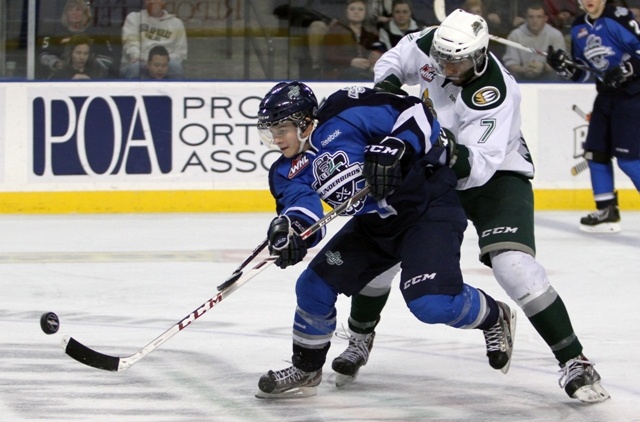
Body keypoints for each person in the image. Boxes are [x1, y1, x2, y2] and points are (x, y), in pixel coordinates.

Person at [332, 9, 610, 403]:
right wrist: (391, 100)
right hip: (433, 166)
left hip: (493, 178)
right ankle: (360, 337)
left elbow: (477, 167)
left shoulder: (495, 92)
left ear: (479, 55)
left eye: (457, 61)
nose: (446, 66)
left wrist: (424, 148)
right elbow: (393, 62)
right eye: (442, 58)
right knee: (383, 252)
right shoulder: (439, 42)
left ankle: (573, 360)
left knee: (513, 267)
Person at [254, 81, 516, 398]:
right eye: (271, 131)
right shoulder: (285, 171)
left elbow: (418, 113)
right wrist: (291, 233)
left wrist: (396, 146)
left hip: (427, 208)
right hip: (374, 226)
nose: (276, 139)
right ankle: (307, 368)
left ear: (305, 121)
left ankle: (494, 314)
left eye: (282, 128)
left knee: (430, 304)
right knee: (313, 285)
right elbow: (304, 212)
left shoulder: (345, 110)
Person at [547, 0, 640, 233]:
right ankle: (606, 211)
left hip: (633, 95)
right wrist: (563, 66)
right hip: (606, 98)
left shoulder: (618, 18)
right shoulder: (579, 26)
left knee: (629, 160)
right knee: (595, 153)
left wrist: (627, 71)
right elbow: (580, 74)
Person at [37, 0, 116, 79]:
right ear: (66, 12)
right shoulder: (56, 31)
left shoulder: (96, 32)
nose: (74, 12)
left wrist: (91, 69)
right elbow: (43, 54)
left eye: (78, 9)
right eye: (70, 9)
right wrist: (56, 63)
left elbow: (108, 58)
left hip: (92, 76)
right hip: (61, 76)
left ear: (85, 13)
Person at [120, 0, 188, 79]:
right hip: (140, 62)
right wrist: (139, 57)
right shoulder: (134, 18)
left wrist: (161, 63)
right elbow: (130, 41)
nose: (151, 1)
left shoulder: (176, 23)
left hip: (166, 64)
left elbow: (180, 52)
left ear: (164, 1)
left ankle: (176, 91)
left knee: (175, 66)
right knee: (135, 67)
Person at [502, 3, 566, 81]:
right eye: (531, 17)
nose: (534, 21)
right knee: (510, 75)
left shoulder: (556, 35)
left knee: (556, 74)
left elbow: (560, 62)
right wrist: (524, 69)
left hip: (547, 73)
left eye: (539, 17)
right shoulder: (515, 35)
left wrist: (543, 67)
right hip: (523, 73)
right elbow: (511, 63)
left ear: (545, 18)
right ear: (526, 18)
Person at [324, 0, 380, 80]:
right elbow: (330, 57)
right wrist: (351, 61)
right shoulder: (335, 30)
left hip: (366, 70)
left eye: (360, 9)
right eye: (352, 9)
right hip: (341, 72)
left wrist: (374, 56)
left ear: (365, 12)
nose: (356, 12)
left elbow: (378, 51)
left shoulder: (371, 32)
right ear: (346, 11)